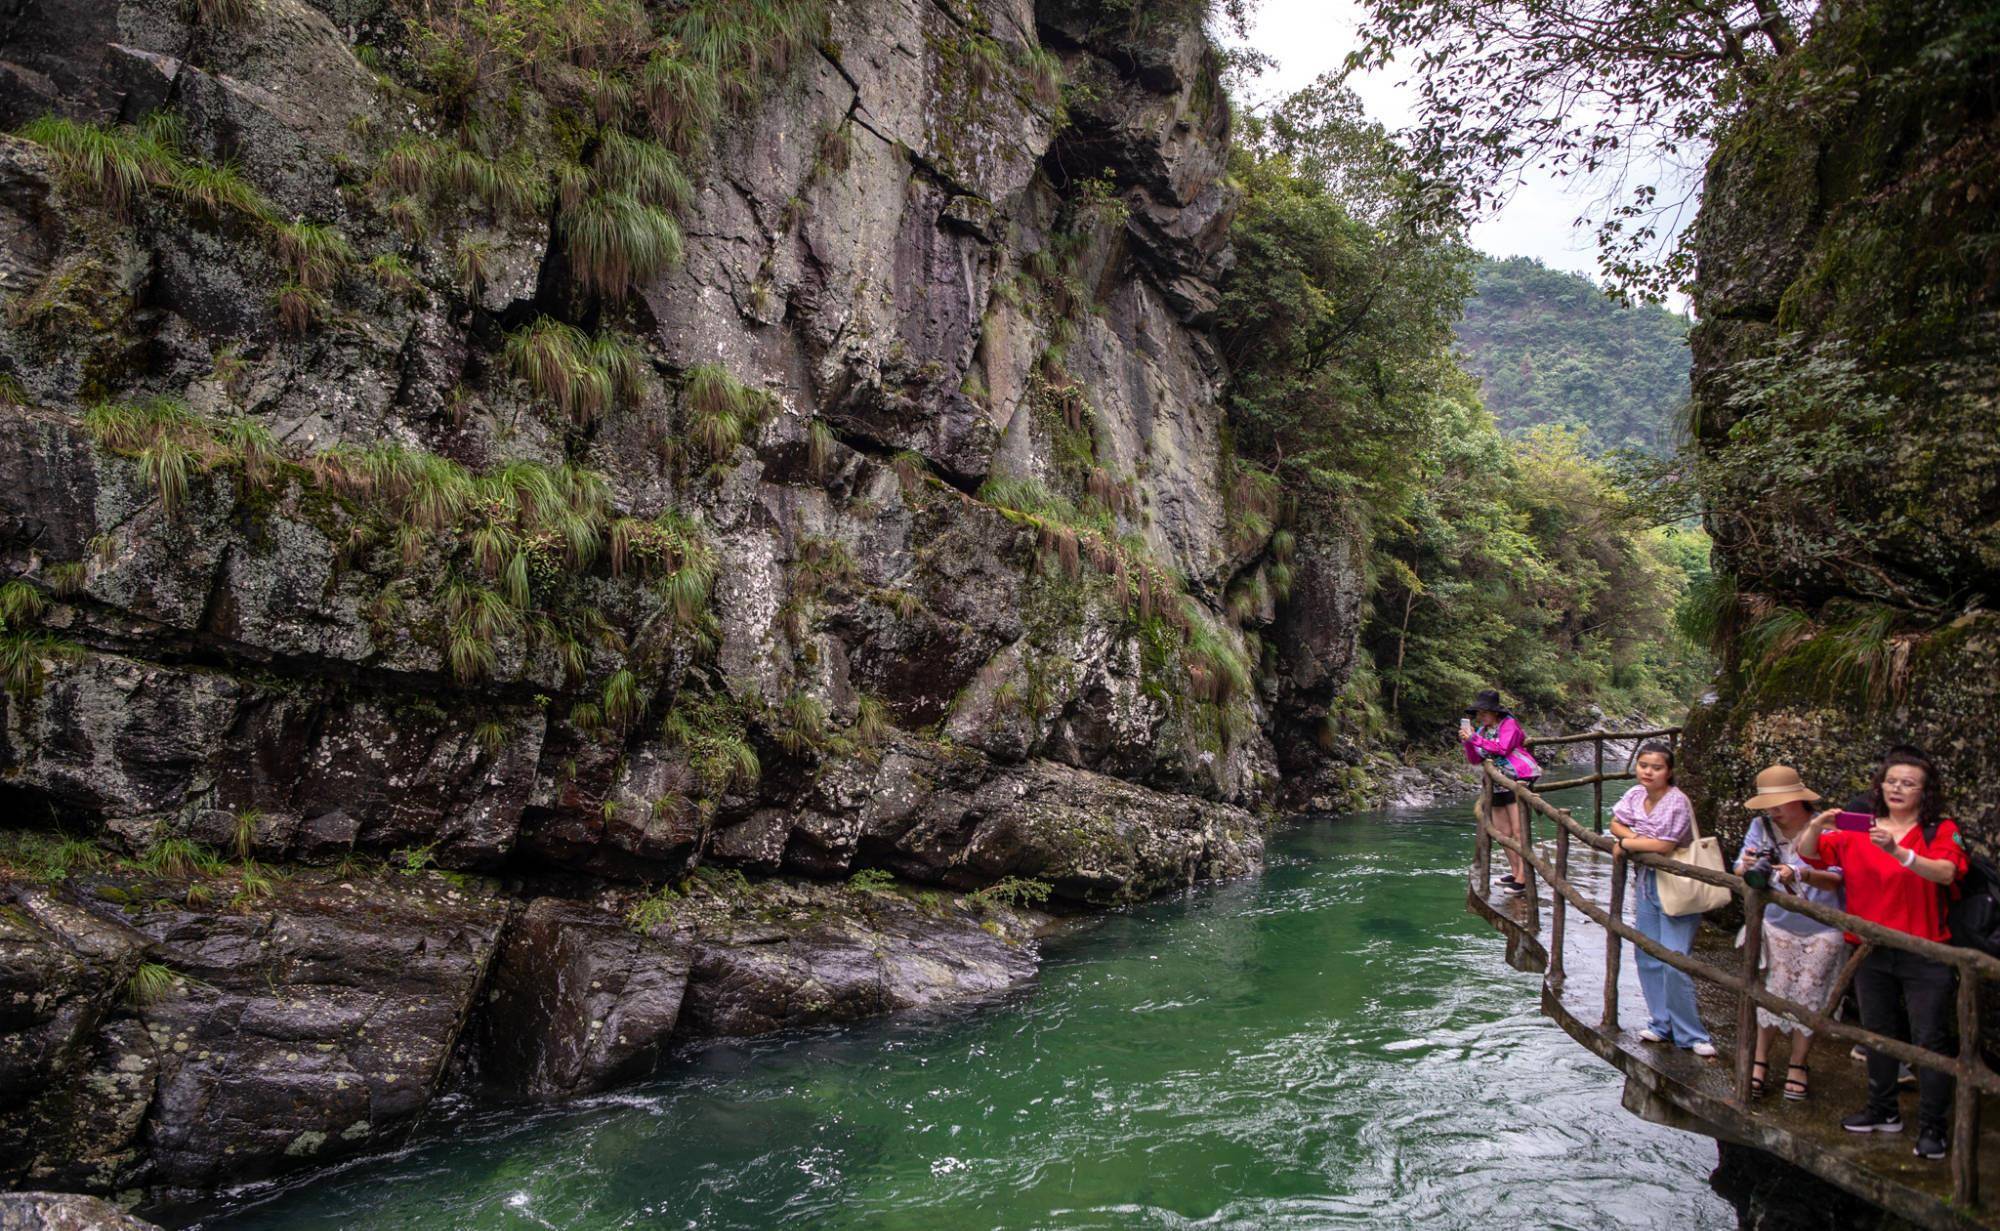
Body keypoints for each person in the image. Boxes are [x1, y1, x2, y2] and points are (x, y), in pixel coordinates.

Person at [1799, 745, 1967, 1160]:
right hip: (1870, 950)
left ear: (1924, 792)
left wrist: (1900, 852)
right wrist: (1818, 823)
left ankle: (1932, 1127)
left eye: (1908, 783)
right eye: (1891, 781)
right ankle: (1882, 1109)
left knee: (1929, 1042)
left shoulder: (1939, 831)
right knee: (1877, 1035)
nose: (1897, 788)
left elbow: (1946, 872)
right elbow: (1807, 851)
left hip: (1925, 952)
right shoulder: (1862, 827)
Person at [1735, 766, 1846, 1100]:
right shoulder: (1762, 826)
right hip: (1777, 921)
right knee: (1774, 992)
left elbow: (1839, 878)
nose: (1773, 809)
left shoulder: (1828, 829)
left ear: (1799, 798)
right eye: (1768, 802)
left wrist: (1800, 873)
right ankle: (1759, 1060)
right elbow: (1739, 868)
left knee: (1810, 995)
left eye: (1779, 801)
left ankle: (1799, 1064)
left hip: (1823, 926)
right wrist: (1749, 863)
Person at [1608, 740, 1715, 1056]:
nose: (1648, 772)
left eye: (1656, 767)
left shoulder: (1677, 801)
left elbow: (1664, 845)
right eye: (1644, 766)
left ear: (1669, 772)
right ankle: (1661, 1022)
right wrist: (1633, 839)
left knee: (1674, 958)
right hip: (1646, 883)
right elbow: (1616, 822)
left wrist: (1627, 845)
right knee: (1648, 955)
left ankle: (1692, 1034)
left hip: (1677, 881)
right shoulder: (1636, 795)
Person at [1460, 689, 1541, 894]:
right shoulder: (1481, 731)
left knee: (1517, 830)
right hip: (1496, 783)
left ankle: (1523, 879)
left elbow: (1503, 748)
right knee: (1503, 832)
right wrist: (1468, 742)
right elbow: (1475, 759)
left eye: (1484, 712)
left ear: (1495, 712)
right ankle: (1515, 872)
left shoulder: (1509, 725)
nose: (1480, 716)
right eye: (1479, 713)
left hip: (1517, 779)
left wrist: (1475, 739)